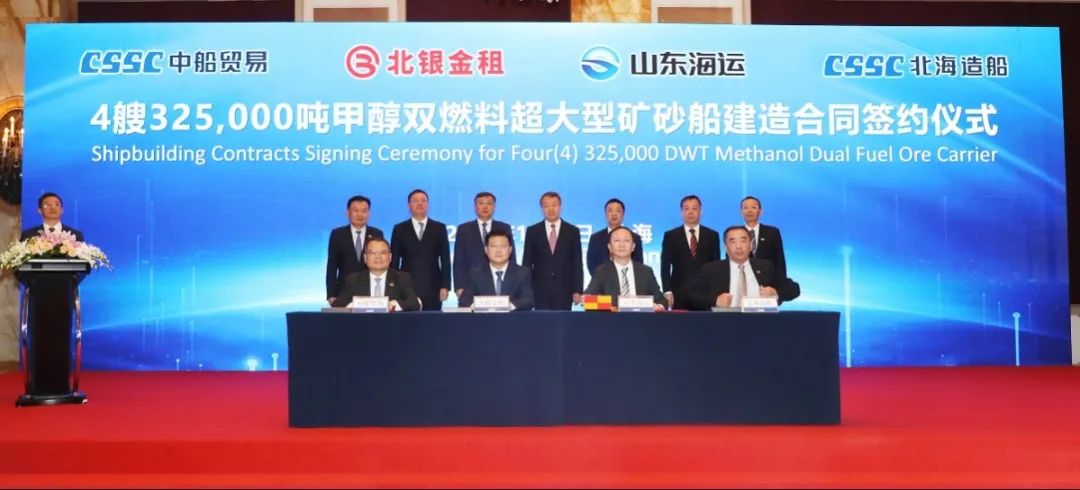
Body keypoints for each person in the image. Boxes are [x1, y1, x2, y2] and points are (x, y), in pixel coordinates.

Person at [689, 226, 779, 310]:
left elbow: (787, 290)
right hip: (725, 319)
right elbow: (691, 296)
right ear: (726, 248)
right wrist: (715, 301)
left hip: (760, 318)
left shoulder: (766, 267)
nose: (738, 246)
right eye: (733, 242)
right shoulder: (711, 269)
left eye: (743, 241)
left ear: (751, 245)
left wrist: (775, 293)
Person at [390, 189, 451, 311]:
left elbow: (445, 259)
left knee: (432, 320)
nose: (419, 204)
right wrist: (393, 285)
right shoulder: (399, 229)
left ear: (428, 204)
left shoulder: (439, 228)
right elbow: (394, 260)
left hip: (433, 285)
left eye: (423, 201)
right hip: (406, 285)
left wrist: (445, 285)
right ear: (409, 205)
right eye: (415, 201)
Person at [522, 191, 583, 310]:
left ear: (560, 207)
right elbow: (527, 263)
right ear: (541, 209)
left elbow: (577, 262)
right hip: (539, 289)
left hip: (565, 289)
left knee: (563, 321)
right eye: (546, 205)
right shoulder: (532, 231)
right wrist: (526, 289)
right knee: (541, 321)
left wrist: (577, 289)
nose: (551, 209)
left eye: (554, 205)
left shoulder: (572, 231)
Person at [584, 226, 667, 311]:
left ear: (633, 246)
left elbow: (662, 301)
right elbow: (588, 300)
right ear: (609, 247)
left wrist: (658, 307)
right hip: (613, 318)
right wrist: (617, 305)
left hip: (640, 318)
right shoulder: (602, 271)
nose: (621, 245)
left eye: (626, 240)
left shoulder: (646, 271)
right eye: (617, 240)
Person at [659, 195, 720, 309]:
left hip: (705, 292)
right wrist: (667, 290)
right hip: (679, 291)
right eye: (686, 209)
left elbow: (716, 265)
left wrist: (716, 291)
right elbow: (665, 265)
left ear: (701, 211)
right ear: (681, 212)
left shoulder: (712, 235)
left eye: (694, 208)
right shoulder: (671, 235)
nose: (690, 212)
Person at [453, 192, 515, 299]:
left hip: (499, 283)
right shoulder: (464, 229)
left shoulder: (504, 227)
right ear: (475, 207)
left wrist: (512, 283)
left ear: (494, 207)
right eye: (481, 203)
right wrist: (459, 286)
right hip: (470, 285)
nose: (485, 207)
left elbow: (511, 256)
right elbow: (458, 260)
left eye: (489, 203)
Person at [331, 237, 420, 311]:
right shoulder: (353, 279)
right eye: (372, 253)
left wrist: (393, 305)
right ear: (365, 258)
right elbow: (337, 305)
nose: (378, 257)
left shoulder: (402, 278)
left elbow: (414, 304)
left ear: (390, 257)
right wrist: (357, 305)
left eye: (383, 253)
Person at [325, 195, 383, 306]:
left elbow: (382, 264)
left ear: (369, 213)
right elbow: (332, 266)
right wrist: (331, 295)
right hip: (343, 291)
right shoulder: (337, 234)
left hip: (371, 291)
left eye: (364, 211)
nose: (360, 215)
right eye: (356, 211)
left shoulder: (377, 233)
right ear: (348, 213)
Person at [458, 229, 534, 311]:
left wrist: (508, 305)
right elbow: (464, 301)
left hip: (512, 318)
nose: (498, 251)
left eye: (503, 246)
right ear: (486, 250)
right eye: (494, 246)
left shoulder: (522, 273)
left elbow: (528, 300)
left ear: (510, 250)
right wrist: (478, 306)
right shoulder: (475, 274)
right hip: (484, 318)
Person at [585, 198, 643, 275]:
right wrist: (599, 279)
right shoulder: (595, 238)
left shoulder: (635, 238)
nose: (614, 214)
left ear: (623, 215)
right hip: (602, 280)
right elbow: (591, 263)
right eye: (610, 211)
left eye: (618, 211)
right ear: (605, 214)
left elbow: (639, 263)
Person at [740, 196, 788, 281]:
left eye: (753, 207)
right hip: (743, 280)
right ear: (741, 212)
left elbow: (779, 260)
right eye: (745, 208)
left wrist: (780, 283)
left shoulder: (772, 232)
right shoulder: (735, 233)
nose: (749, 211)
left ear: (760, 211)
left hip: (768, 282)